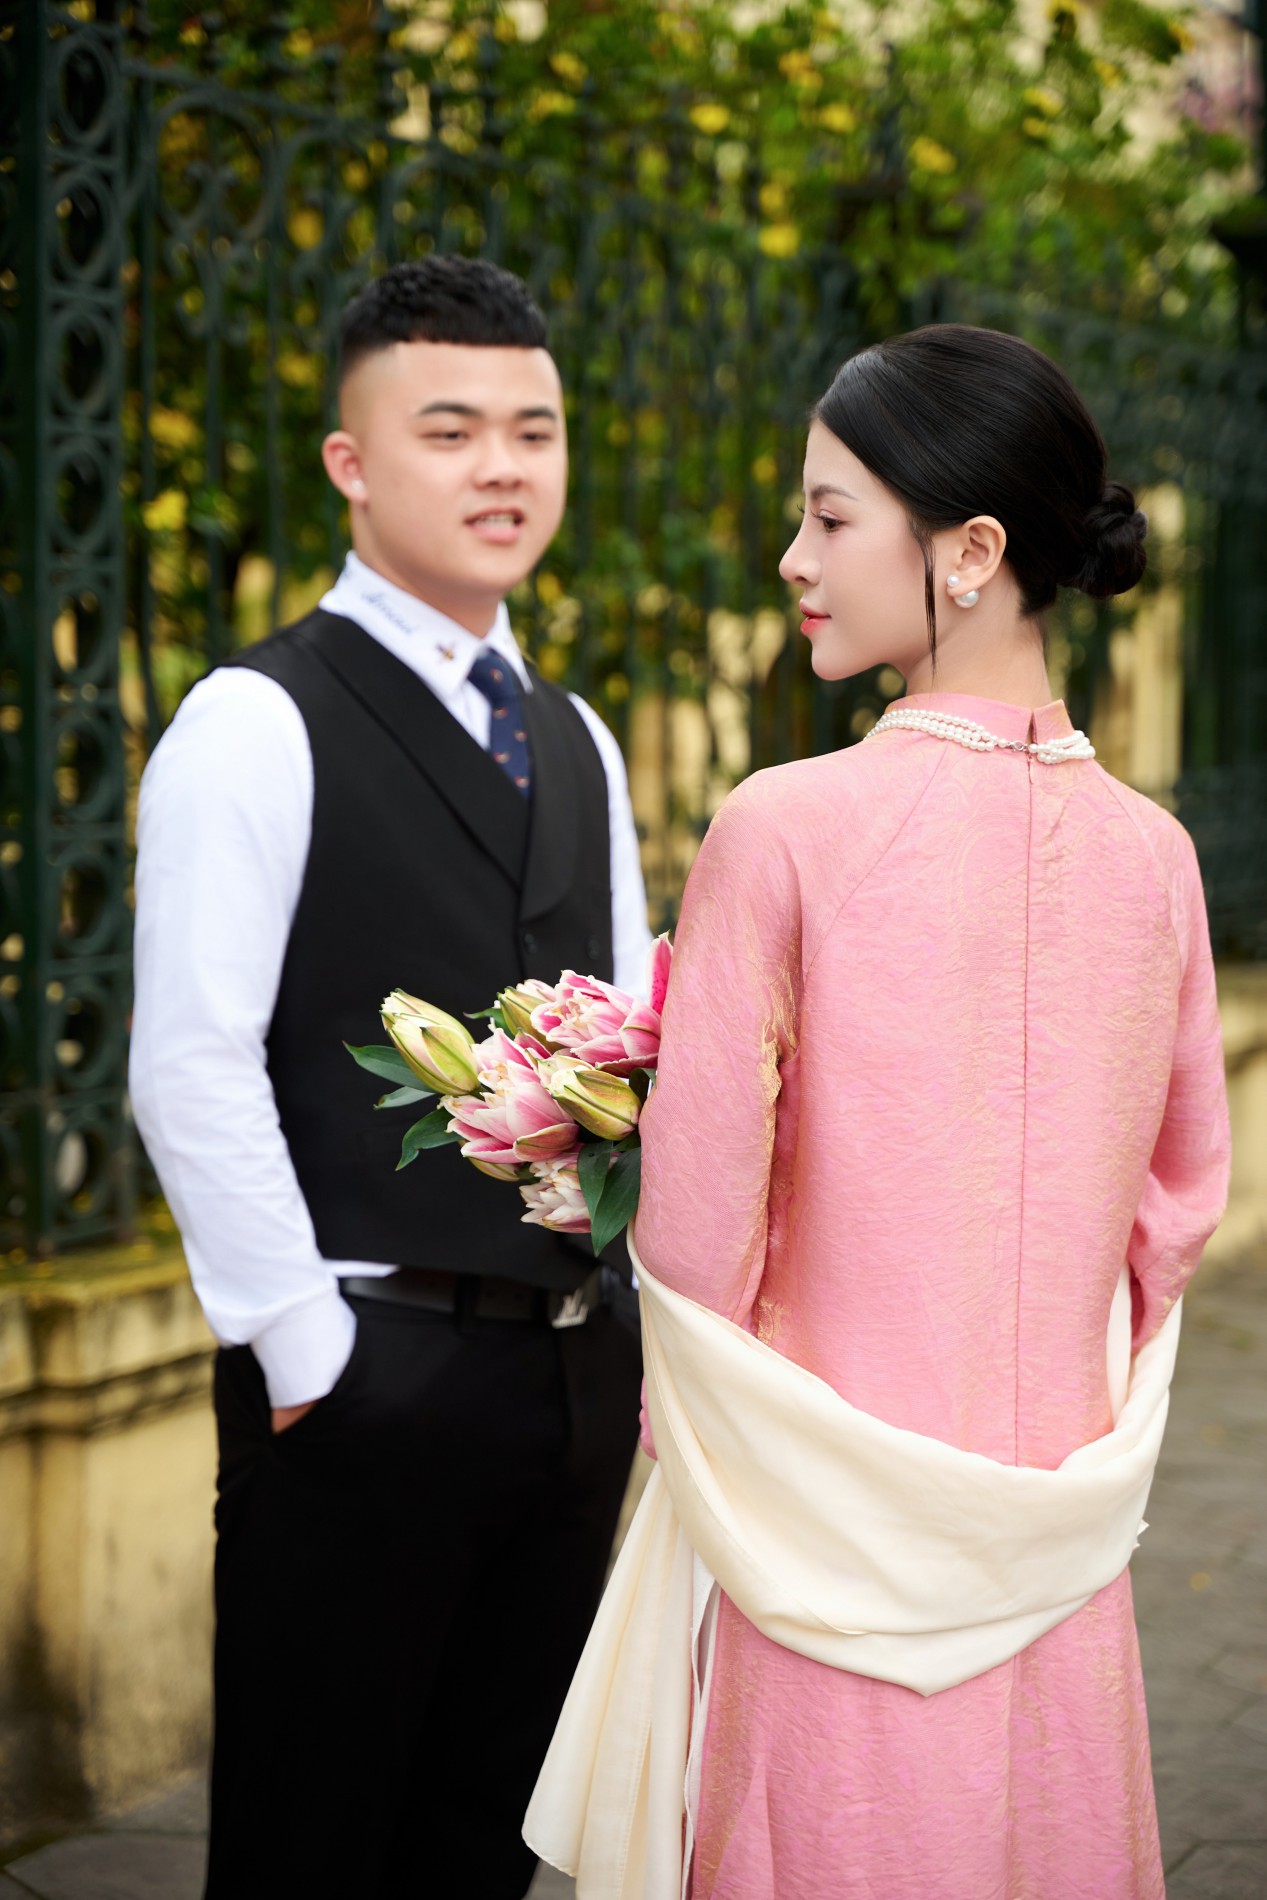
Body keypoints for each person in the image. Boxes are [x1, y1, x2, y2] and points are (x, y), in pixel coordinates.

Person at [623, 326, 1229, 1898]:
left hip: (825, 1547)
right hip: (1055, 1535)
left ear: (971, 553)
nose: (793, 557)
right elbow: (1177, 1210)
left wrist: (688, 1446)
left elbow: (694, 1242)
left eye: (830, 517)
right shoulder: (1158, 859)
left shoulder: (784, 827)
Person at [130, 255, 649, 1900]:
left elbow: (630, 1041)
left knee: (487, 1847)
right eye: (451, 429)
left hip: (569, 1388)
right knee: (312, 1848)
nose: (503, 468)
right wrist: (307, 1355)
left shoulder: (576, 734)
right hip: (362, 1379)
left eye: (533, 430)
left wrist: (630, 1334)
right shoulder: (254, 718)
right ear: (352, 461)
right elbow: (189, 1060)